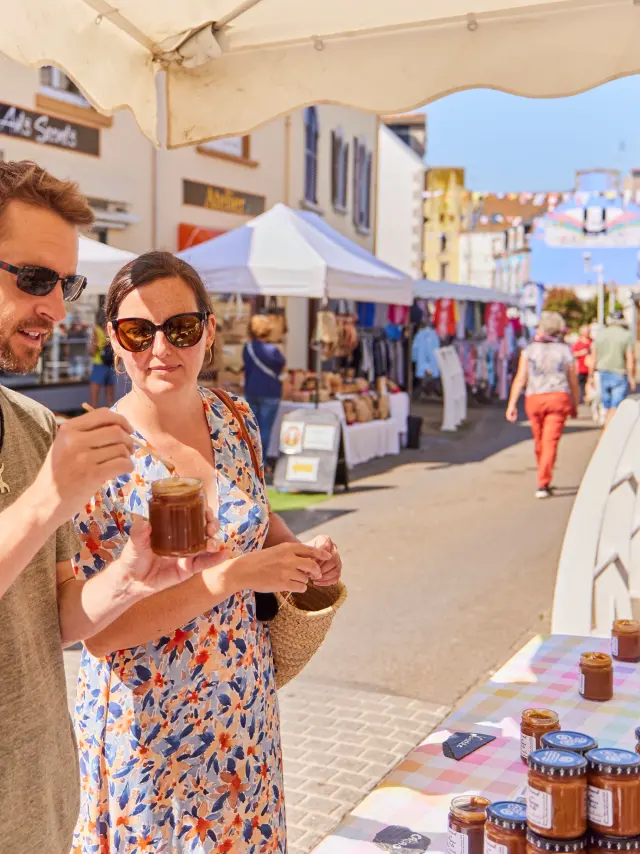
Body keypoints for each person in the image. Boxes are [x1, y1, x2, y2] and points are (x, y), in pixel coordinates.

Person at [71, 251, 343, 853]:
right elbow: (99, 634)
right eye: (138, 332)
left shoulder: (234, 415)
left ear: (210, 332)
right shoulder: (99, 453)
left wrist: (300, 556)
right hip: (150, 724)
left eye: (181, 329)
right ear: (113, 341)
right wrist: (235, 577)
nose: (160, 348)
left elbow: (256, 512)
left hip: (241, 707)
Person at [0, 161, 222, 854]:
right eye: (34, 280)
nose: (58, 310)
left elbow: (58, 618)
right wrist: (47, 499)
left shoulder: (33, 427)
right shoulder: (51, 459)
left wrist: (133, 573)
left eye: (67, 286)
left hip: (39, 810)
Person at [506, 311, 579, 499]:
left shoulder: (529, 350)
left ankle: (543, 477)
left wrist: (512, 403)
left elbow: (521, 378)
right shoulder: (564, 351)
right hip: (558, 397)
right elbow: (573, 381)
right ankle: (543, 481)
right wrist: (575, 403)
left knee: (539, 441)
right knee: (550, 442)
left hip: (534, 398)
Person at [242, 313, 286, 462]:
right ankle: (262, 462)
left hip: (252, 389)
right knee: (265, 429)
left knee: (251, 428)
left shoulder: (248, 348)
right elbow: (281, 367)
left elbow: (246, 369)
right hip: (270, 391)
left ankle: (251, 461)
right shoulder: (273, 350)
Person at [591, 310, 636, 426]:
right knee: (616, 405)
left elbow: (593, 357)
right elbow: (630, 358)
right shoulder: (626, 335)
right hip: (619, 373)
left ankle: (607, 425)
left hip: (602, 372)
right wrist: (631, 377)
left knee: (606, 404)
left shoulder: (600, 334)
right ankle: (609, 429)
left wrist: (590, 375)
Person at [89, 308, 117, 407]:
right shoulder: (111, 330)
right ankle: (111, 417)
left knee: (94, 397)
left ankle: (92, 415)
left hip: (99, 363)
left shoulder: (96, 330)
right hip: (111, 364)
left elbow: (92, 351)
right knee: (110, 398)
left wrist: (97, 345)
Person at [571, 324, 592, 403]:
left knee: (589, 384)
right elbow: (573, 354)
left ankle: (588, 398)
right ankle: (581, 399)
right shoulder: (578, 342)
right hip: (581, 368)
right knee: (581, 385)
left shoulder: (592, 341)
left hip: (590, 368)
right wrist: (581, 353)